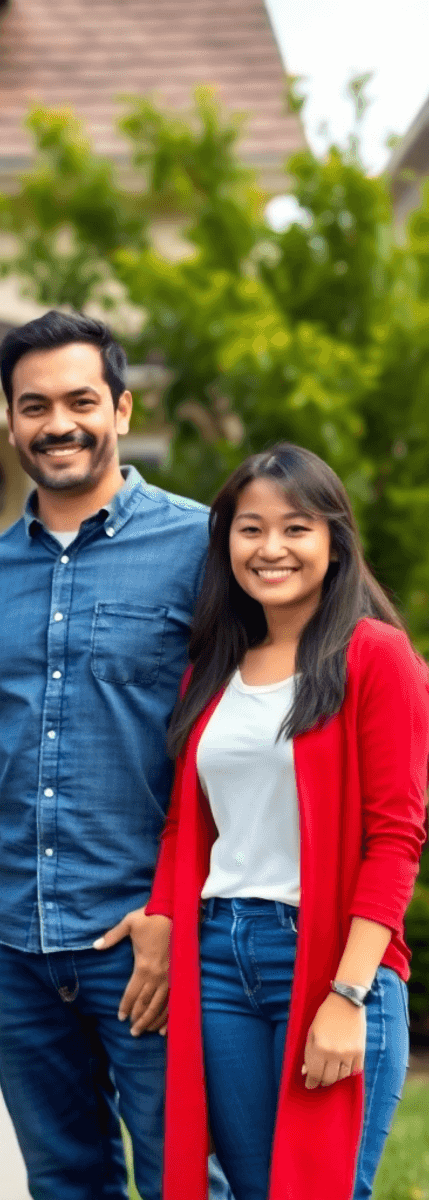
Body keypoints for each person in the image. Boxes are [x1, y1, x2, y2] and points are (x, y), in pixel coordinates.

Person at [0, 311, 225, 1200]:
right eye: (34, 406)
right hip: (19, 942)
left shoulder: (205, 548)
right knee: (63, 1181)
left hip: (146, 937)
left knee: (187, 1178)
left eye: (80, 400)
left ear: (123, 409)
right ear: (11, 422)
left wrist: (175, 912)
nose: (57, 423)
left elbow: (236, 743)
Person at [147, 443, 428, 1200]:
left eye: (296, 527)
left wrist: (348, 997)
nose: (271, 549)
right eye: (250, 528)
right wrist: (161, 923)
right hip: (218, 963)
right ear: (226, 542)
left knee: (321, 1188)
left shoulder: (375, 657)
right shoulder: (213, 667)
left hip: (330, 957)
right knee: (246, 1188)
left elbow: (396, 839)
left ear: (334, 541)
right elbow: (186, 826)